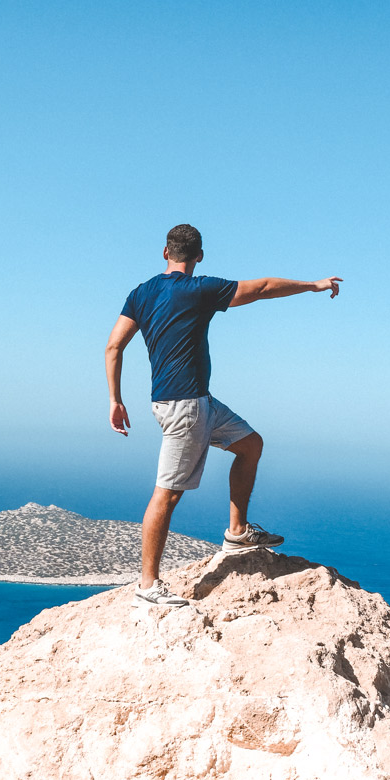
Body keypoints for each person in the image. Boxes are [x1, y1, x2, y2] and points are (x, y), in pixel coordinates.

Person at [105, 224, 342, 608]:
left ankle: (237, 531)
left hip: (197, 402)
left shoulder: (141, 293)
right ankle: (147, 586)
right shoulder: (201, 289)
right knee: (166, 495)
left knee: (250, 444)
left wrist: (115, 399)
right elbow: (263, 287)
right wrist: (313, 285)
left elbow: (114, 346)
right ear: (199, 256)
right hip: (186, 408)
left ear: (165, 253)